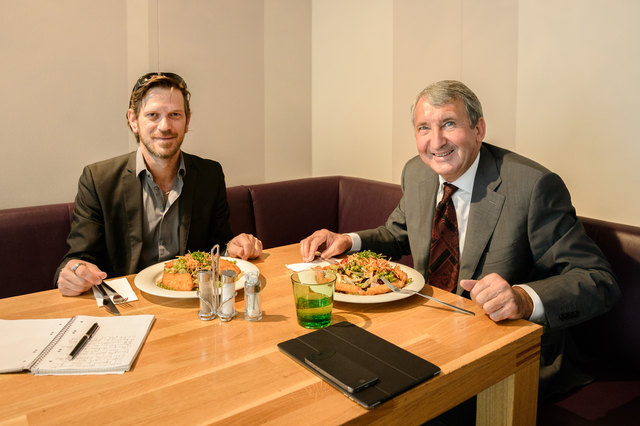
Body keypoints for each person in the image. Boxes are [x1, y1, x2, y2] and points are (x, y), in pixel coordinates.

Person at [300, 80, 619, 400]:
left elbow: (598, 280)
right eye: (424, 128)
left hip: (507, 354)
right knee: (330, 373)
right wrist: (347, 240)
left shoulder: (533, 186)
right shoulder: (417, 172)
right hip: (426, 332)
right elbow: (399, 234)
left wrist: (522, 298)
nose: (436, 141)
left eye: (449, 124)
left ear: (479, 129)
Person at [56, 72, 262, 296]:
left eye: (175, 114)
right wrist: (74, 272)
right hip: (129, 306)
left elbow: (218, 246)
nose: (164, 126)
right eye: (153, 115)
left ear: (187, 121)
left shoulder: (209, 174)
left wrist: (232, 247)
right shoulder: (97, 180)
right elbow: (79, 258)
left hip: (194, 304)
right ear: (133, 120)